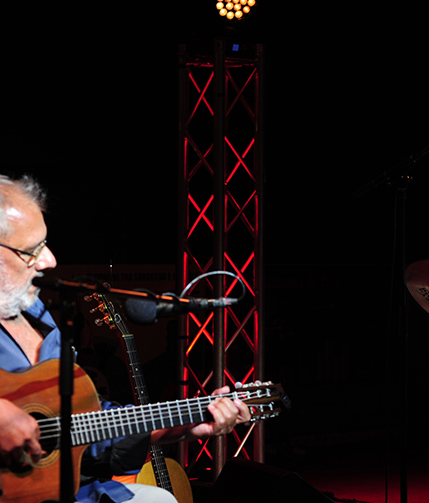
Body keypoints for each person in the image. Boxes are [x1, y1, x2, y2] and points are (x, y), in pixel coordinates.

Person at [0, 174, 251, 502]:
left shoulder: (36, 315)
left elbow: (89, 424)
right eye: (32, 250)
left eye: (46, 244)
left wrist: (186, 425)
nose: (50, 261)